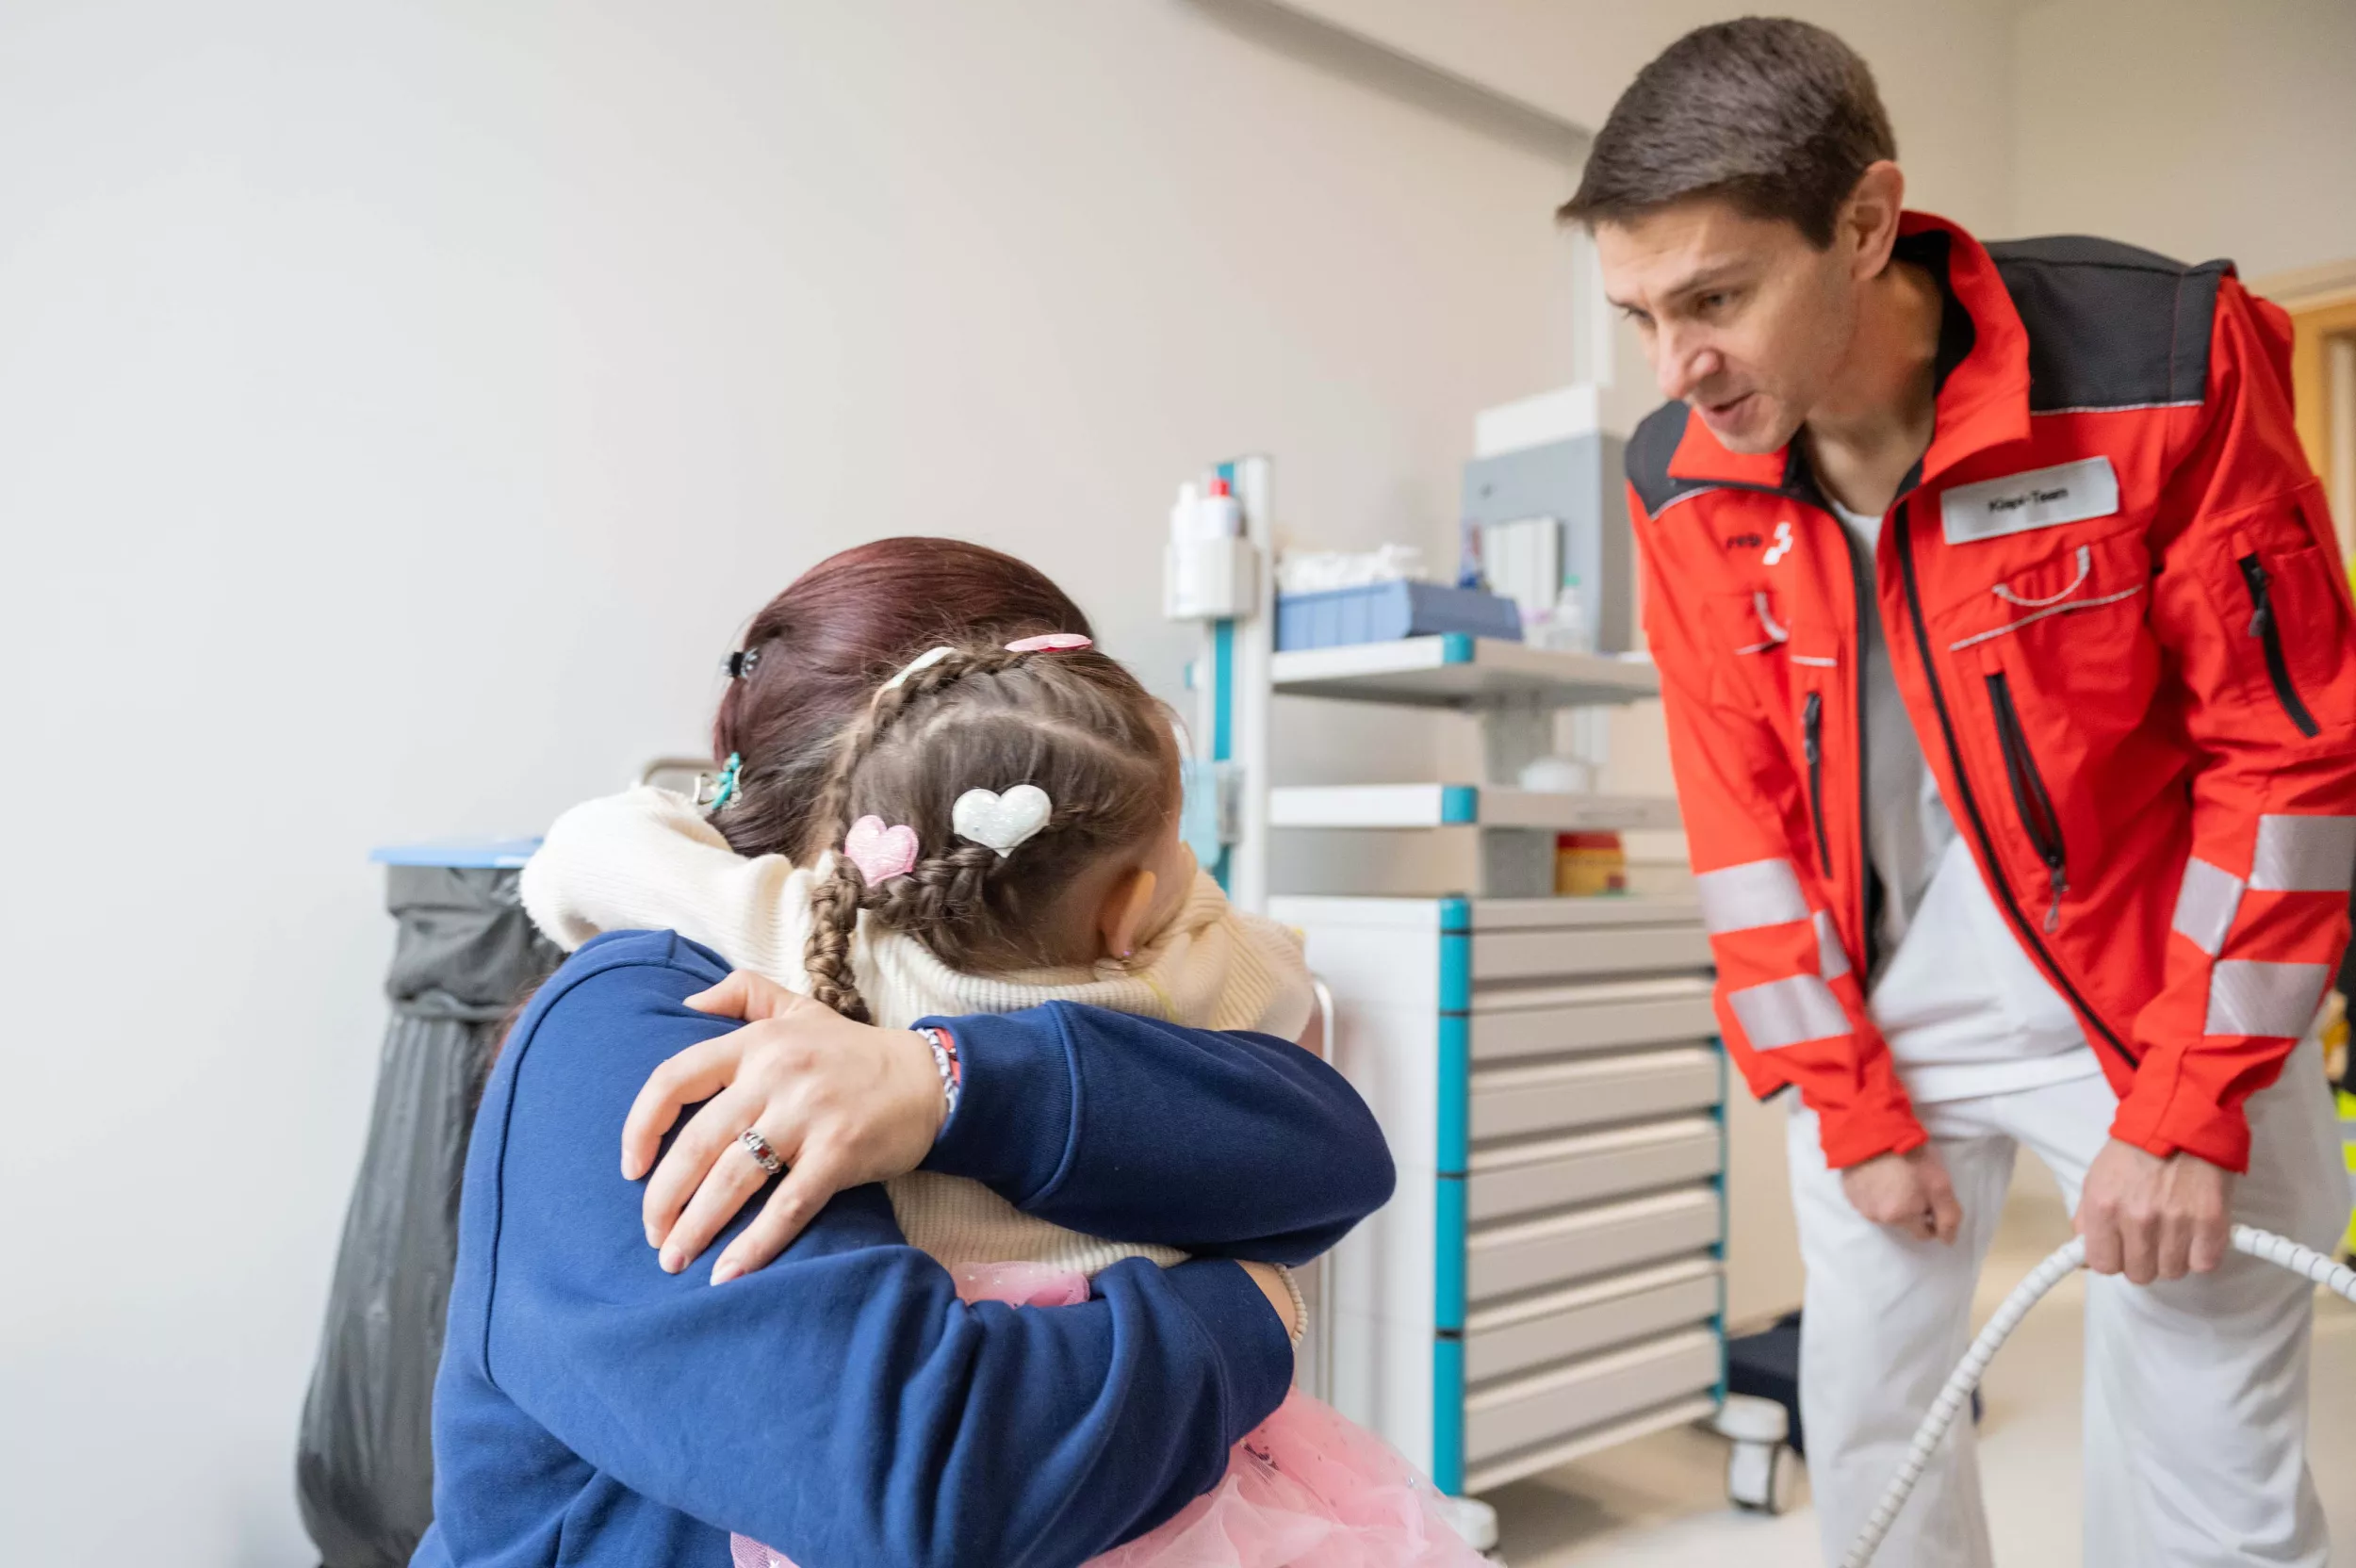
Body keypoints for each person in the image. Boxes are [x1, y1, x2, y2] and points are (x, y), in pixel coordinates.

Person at [1561, 19, 2355, 1567]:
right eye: (1640, 313)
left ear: (1864, 224)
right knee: (1870, 1431)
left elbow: (2290, 750)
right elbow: (1740, 825)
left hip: (2155, 991)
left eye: (1715, 298)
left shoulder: (2161, 365)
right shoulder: (1679, 474)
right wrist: (1847, 1104)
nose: (1675, 369)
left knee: (2208, 1481)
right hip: (1886, 1007)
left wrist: (2195, 1104)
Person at [412, 540, 1399, 1567]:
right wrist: (1252, 1306)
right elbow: (944, 1482)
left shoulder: (1083, 979)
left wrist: (945, 1081)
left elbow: (1329, 1153)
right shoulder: (642, 1029)